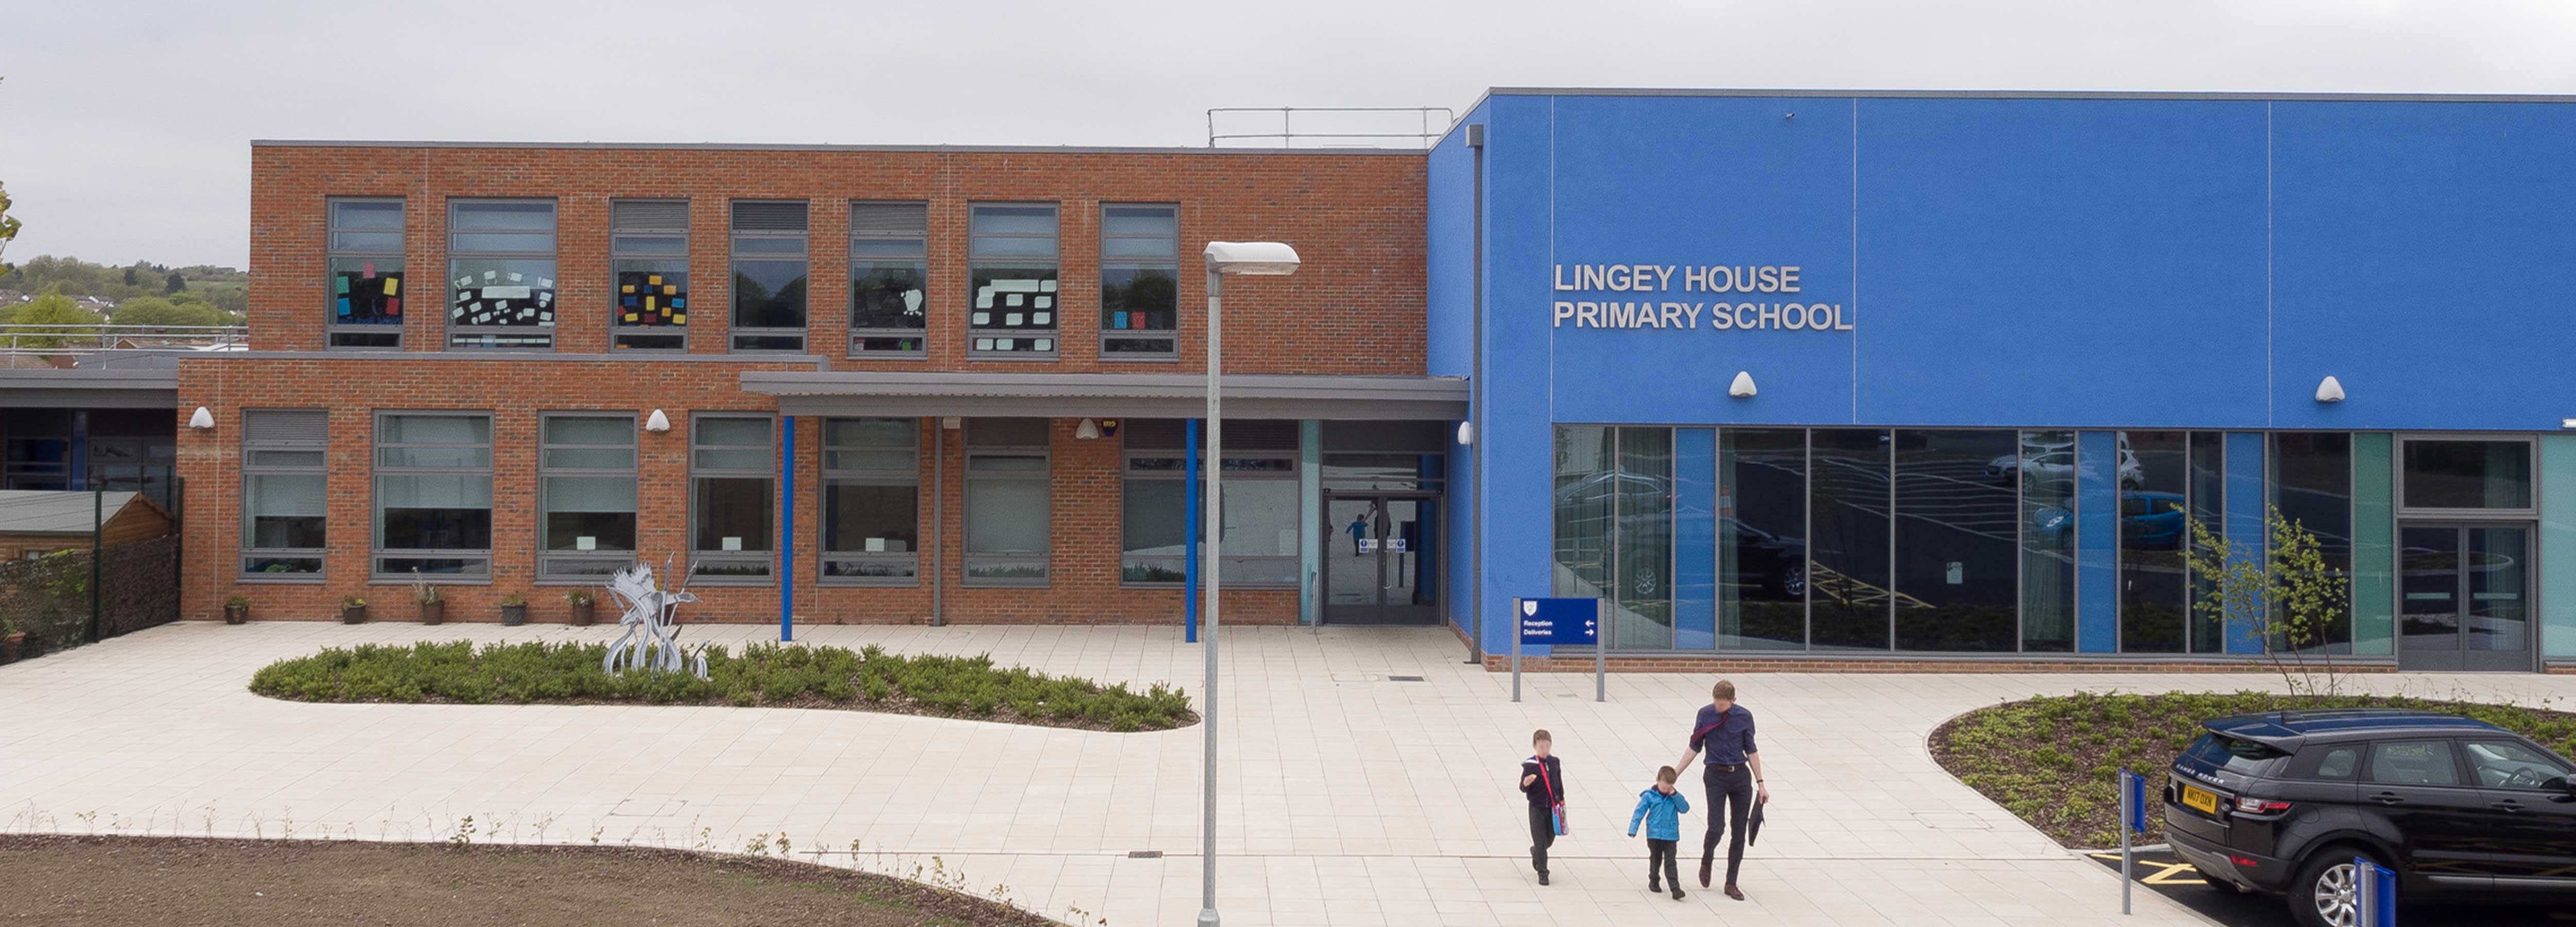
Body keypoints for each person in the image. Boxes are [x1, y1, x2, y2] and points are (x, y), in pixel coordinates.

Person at [1673, 679, 1767, 900]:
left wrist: (1761, 782)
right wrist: (1676, 773)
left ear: (1733, 701)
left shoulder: (1744, 717)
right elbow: (1695, 745)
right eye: (1716, 703)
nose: (1719, 708)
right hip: (1715, 775)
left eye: (1723, 705)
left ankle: (1731, 882)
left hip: (1740, 778)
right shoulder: (1705, 714)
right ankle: (1707, 858)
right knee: (1717, 827)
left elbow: (1751, 750)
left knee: (1739, 832)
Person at [1626, 765, 1692, 900]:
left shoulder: (1675, 797)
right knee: (1656, 858)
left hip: (1671, 835)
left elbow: (1685, 809)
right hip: (1654, 835)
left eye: (1669, 787)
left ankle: (1675, 888)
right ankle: (1654, 879)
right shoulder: (1649, 796)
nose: (1666, 790)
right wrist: (1633, 829)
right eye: (1664, 787)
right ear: (1658, 780)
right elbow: (1639, 812)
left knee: (1671, 861)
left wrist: (1675, 796)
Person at [1519, 729, 1565, 885]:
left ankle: (1536, 852)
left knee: (1549, 840)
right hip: (1537, 807)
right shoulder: (1530, 765)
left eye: (1547, 746)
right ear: (1535, 747)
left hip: (1552, 808)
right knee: (1540, 841)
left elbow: (1559, 782)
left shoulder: (1554, 763)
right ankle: (1543, 872)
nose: (1544, 750)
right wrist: (1526, 784)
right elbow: (1522, 787)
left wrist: (1562, 799)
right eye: (1541, 747)